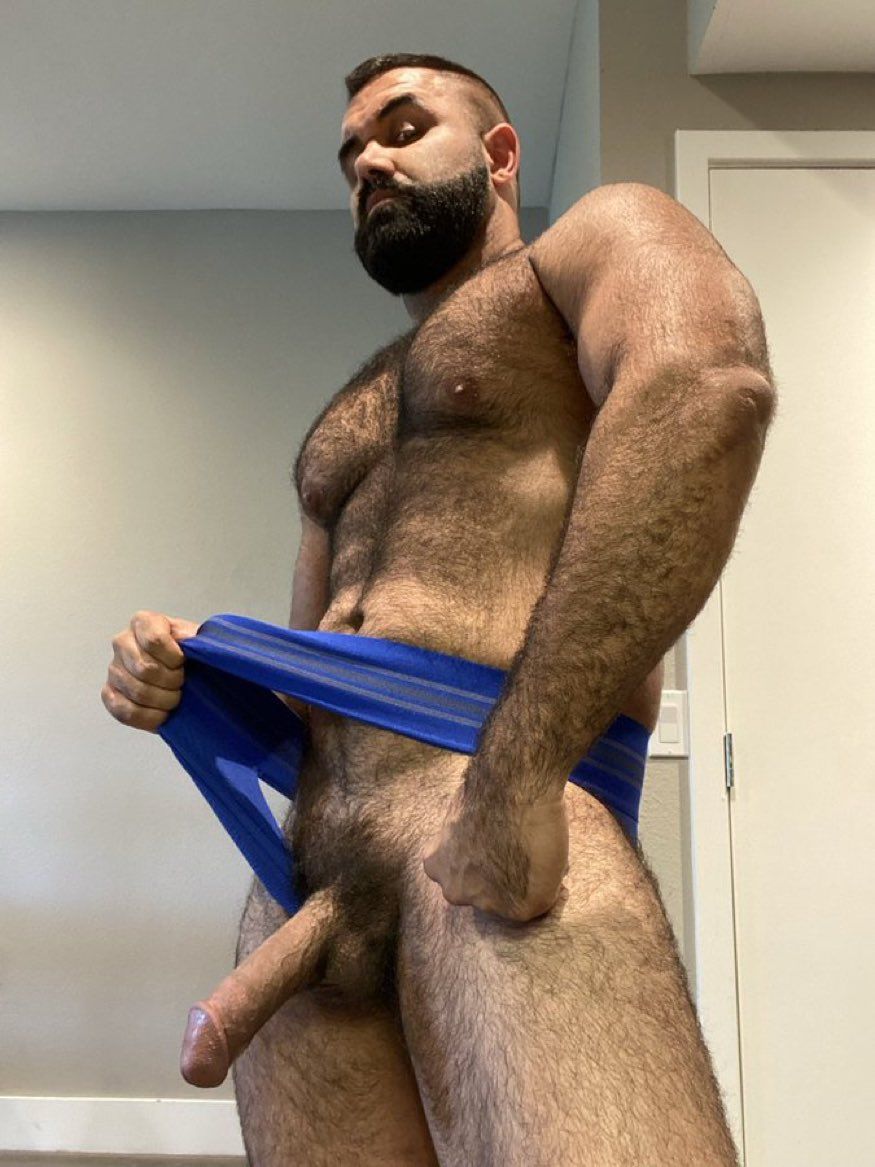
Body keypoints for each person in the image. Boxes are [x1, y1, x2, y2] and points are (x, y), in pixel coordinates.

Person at [102, 52, 775, 1166]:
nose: (368, 161)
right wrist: (186, 673)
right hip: (303, 884)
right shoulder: (346, 416)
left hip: (494, 824)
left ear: (500, 154)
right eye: (350, 156)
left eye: (404, 129)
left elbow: (704, 389)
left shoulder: (588, 245)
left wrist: (517, 774)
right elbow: (320, 674)